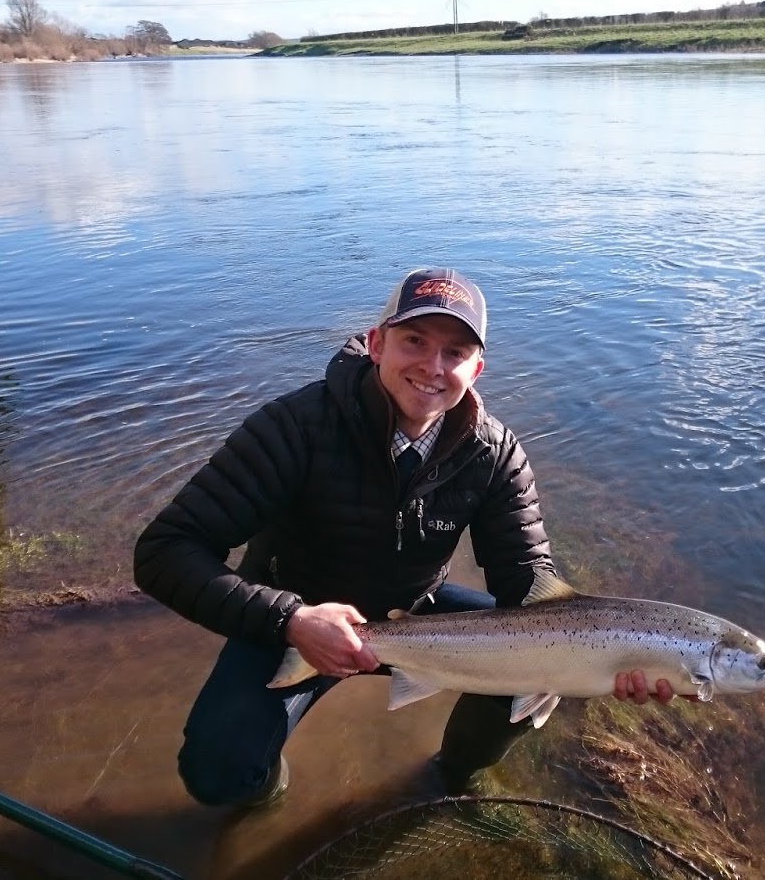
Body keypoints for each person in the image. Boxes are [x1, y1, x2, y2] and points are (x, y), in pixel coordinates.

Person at [135, 267, 680, 808]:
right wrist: (291, 620)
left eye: (455, 352)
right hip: (291, 617)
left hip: (417, 611)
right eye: (414, 341)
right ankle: (266, 787)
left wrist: (610, 660)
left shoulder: (495, 455)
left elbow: (526, 579)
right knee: (217, 774)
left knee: (532, 680)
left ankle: (454, 774)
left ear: (476, 369)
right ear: (376, 344)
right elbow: (166, 550)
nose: (432, 366)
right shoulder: (294, 428)